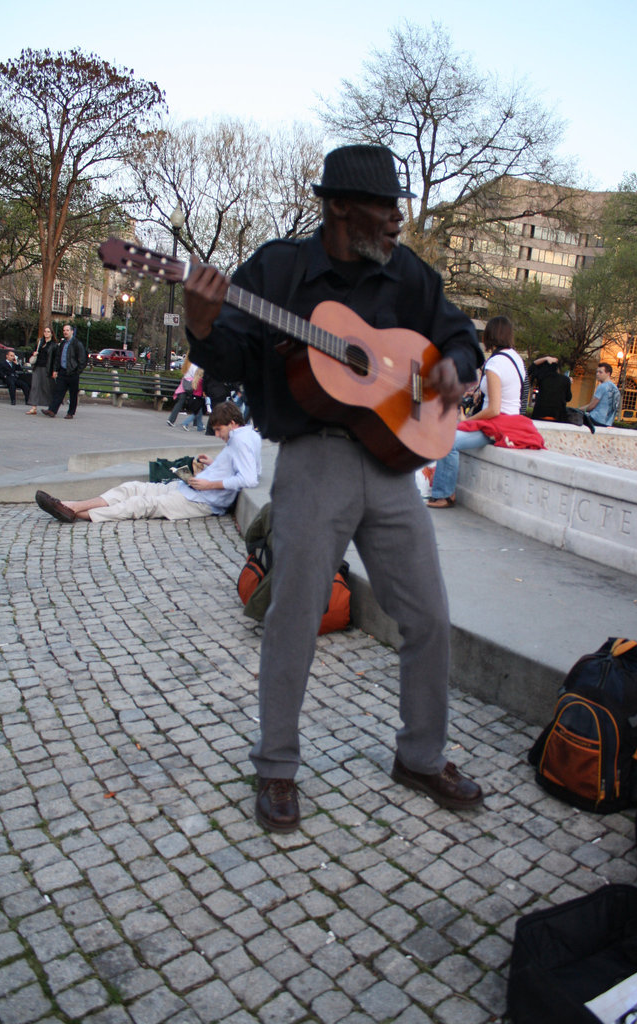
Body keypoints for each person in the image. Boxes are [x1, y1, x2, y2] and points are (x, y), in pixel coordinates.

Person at [182, 143, 486, 834]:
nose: (394, 221)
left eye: (395, 208)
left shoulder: (406, 274)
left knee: (428, 615)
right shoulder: (277, 270)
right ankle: (277, 766)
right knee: (294, 614)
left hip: (390, 464)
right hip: (312, 458)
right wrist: (200, 321)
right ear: (339, 207)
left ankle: (419, 755)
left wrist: (453, 368)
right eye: (383, 209)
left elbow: (458, 335)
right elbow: (226, 353)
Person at [35, 401, 260, 523]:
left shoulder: (240, 440)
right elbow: (242, 468)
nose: (218, 435)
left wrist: (210, 484)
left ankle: (72, 511)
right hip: (194, 489)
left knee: (139, 504)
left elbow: (248, 479)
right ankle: (70, 506)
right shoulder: (244, 436)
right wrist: (213, 464)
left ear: (232, 423)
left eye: (219, 430)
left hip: (202, 498)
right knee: (132, 488)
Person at [428, 316, 542, 509]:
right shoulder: (517, 359)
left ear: (489, 336)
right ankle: (442, 491)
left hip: (496, 423)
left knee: (448, 440)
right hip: (513, 423)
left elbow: (494, 409)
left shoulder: (495, 364)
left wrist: (469, 420)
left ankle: (444, 494)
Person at [41, 323, 87, 419]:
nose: (65, 332)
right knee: (58, 392)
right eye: (64, 330)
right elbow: (58, 357)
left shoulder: (77, 343)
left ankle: (71, 413)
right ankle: (52, 410)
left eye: (67, 330)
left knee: (73, 394)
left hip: (72, 373)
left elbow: (82, 359)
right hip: (63, 371)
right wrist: (55, 370)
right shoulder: (62, 344)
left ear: (72, 331)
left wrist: (77, 371)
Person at [26, 326, 57, 415]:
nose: (46, 333)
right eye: (45, 331)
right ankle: (34, 407)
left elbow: (55, 359)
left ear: (51, 334)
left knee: (46, 387)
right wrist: (35, 354)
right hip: (37, 366)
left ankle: (51, 407)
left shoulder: (53, 345)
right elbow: (35, 352)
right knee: (35, 386)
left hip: (47, 368)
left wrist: (54, 370)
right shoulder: (40, 343)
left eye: (48, 332)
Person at [580, 362, 621, 427]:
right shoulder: (616, 389)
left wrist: (578, 409)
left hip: (595, 419)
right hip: (607, 422)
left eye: (600, 372)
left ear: (608, 374)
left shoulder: (602, 386)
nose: (597, 374)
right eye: (597, 372)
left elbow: (591, 406)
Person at [167, 359, 199, 427]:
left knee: (179, 403)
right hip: (192, 386)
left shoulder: (187, 365)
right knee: (197, 403)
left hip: (183, 386)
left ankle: (171, 419)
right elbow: (196, 376)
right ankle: (196, 422)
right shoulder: (195, 366)